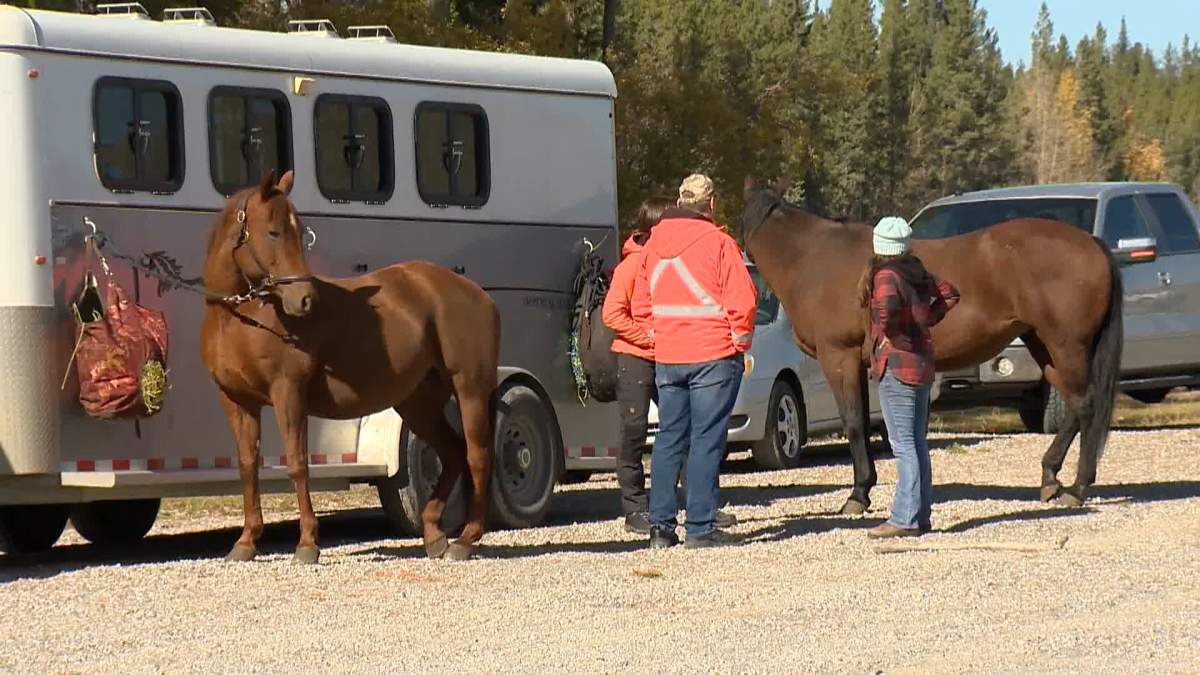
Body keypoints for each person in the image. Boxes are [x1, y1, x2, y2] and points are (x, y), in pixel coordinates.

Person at [631, 174, 757, 549]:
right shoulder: (719, 243)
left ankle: (660, 529)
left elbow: (640, 303)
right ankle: (701, 527)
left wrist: (658, 335)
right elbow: (743, 300)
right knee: (705, 441)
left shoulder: (651, 246)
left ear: (678, 202)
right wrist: (740, 340)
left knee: (669, 439)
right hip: (713, 355)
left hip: (670, 356)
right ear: (711, 204)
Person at [858, 216, 960, 538]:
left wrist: (892, 337)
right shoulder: (915, 270)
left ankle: (904, 518)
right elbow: (950, 294)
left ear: (879, 246)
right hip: (921, 363)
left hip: (897, 366)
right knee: (916, 443)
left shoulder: (886, 275)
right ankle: (920, 515)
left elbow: (886, 312)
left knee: (902, 445)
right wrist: (927, 319)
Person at [602, 196, 672, 534]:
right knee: (634, 431)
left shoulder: (668, 262)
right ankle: (634, 509)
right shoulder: (631, 266)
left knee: (679, 427)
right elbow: (611, 313)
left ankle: (695, 501)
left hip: (668, 357)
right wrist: (647, 338)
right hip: (635, 358)